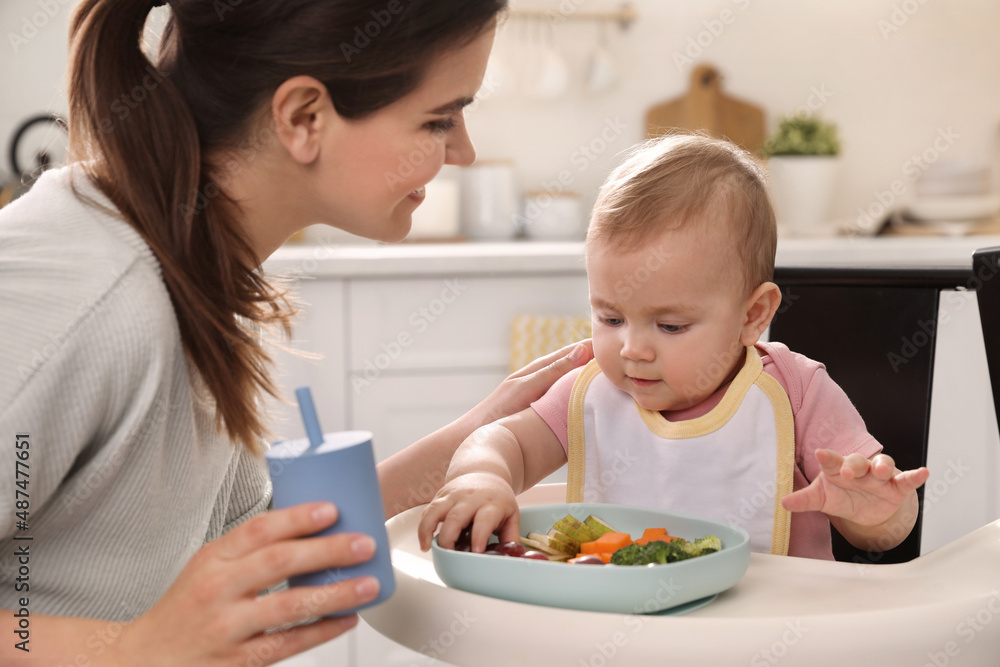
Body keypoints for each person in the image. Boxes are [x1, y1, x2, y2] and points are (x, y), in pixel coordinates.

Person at [0, 0, 594, 663]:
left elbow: (232, 551)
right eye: (438, 119)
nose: (463, 151)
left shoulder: (189, 267)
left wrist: (468, 441)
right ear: (304, 117)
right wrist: (130, 649)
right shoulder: (86, 292)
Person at [417, 133, 931, 560]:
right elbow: (502, 441)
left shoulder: (795, 391)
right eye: (611, 317)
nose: (632, 349)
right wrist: (481, 476)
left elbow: (887, 533)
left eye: (671, 327)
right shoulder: (591, 391)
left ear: (753, 316)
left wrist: (877, 512)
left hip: (774, 638)